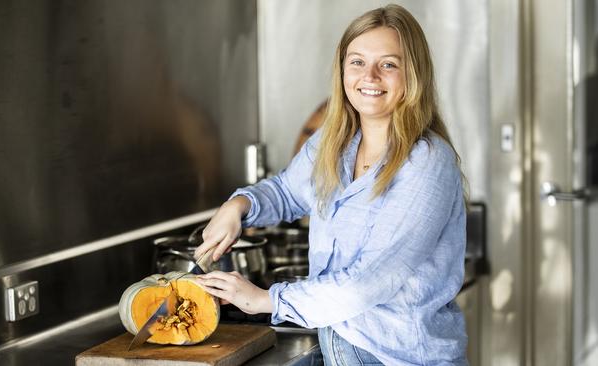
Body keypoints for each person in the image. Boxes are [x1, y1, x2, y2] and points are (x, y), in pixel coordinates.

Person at [194, 4, 468, 365]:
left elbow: (369, 282)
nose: (369, 76)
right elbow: (286, 192)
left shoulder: (427, 162)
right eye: (357, 62)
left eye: (388, 64)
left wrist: (266, 299)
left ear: (413, 75)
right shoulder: (334, 141)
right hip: (340, 347)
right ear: (342, 70)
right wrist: (239, 205)